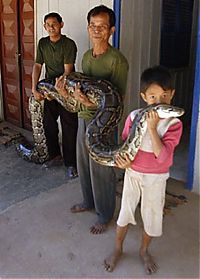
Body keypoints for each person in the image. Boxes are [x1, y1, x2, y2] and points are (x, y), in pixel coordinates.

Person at [56, 5, 129, 234]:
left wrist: (87, 103)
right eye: (93, 26)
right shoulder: (87, 57)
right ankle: (89, 202)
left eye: (102, 26)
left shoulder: (117, 61)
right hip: (84, 117)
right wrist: (66, 94)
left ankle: (105, 214)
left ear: (111, 30)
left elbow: (118, 99)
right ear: (88, 28)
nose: (97, 30)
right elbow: (82, 93)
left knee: (101, 169)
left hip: (104, 124)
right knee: (84, 163)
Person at [104, 65, 183, 274]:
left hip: (156, 179)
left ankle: (144, 251)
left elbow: (163, 155)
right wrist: (123, 162)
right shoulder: (133, 116)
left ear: (172, 95)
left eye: (165, 96)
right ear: (144, 97)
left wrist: (151, 128)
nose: (158, 102)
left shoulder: (173, 124)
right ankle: (118, 248)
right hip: (133, 174)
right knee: (125, 211)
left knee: (151, 215)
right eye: (153, 97)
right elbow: (124, 145)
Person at [31, 12, 78, 179]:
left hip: (66, 88)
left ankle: (71, 164)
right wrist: (34, 88)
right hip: (49, 87)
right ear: (44, 27)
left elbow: (67, 71)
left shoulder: (68, 44)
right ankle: (55, 156)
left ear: (61, 24)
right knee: (48, 123)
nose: (51, 27)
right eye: (47, 25)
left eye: (54, 24)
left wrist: (59, 93)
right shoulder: (43, 43)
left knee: (69, 126)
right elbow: (37, 65)